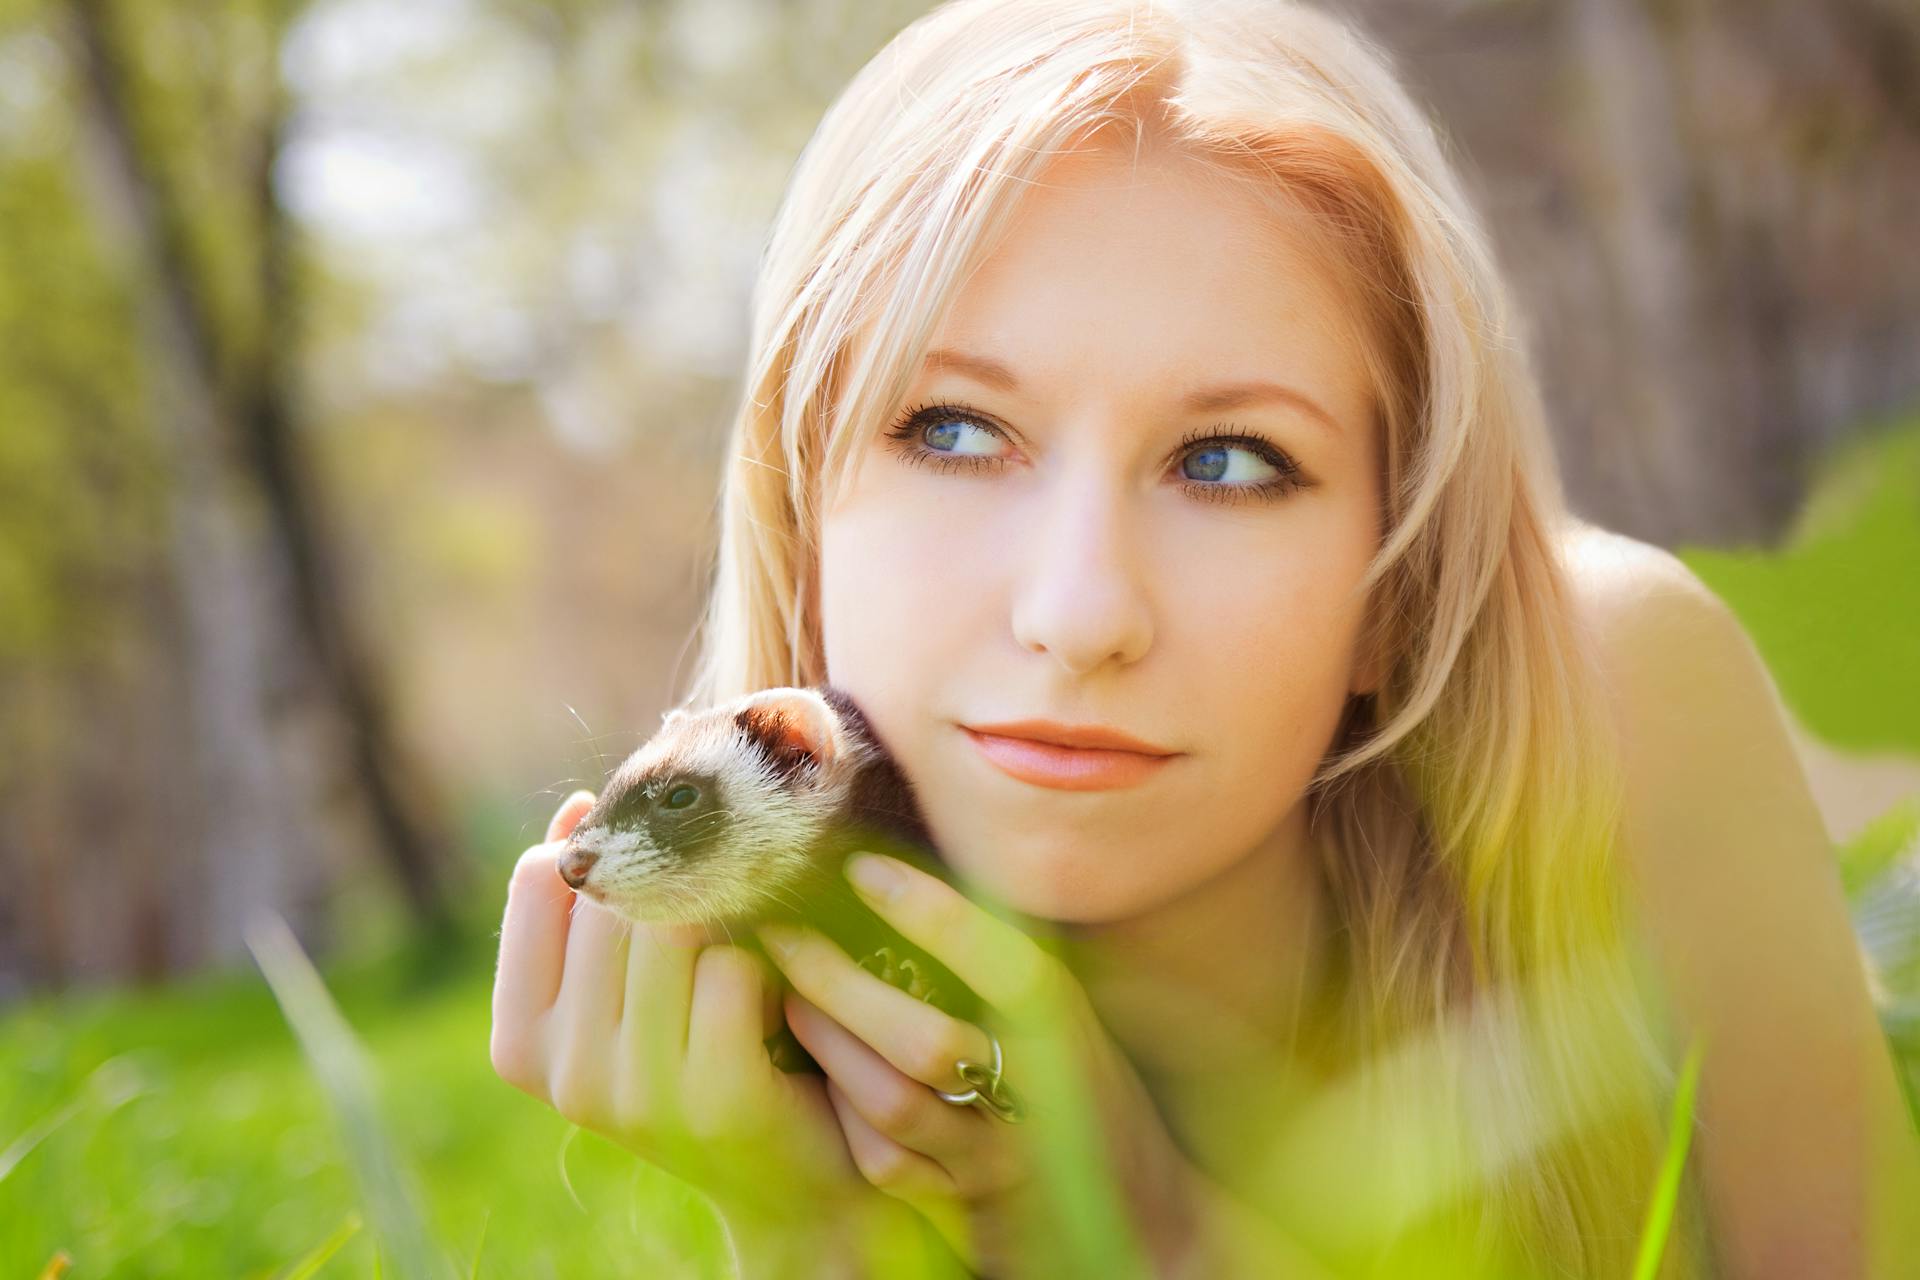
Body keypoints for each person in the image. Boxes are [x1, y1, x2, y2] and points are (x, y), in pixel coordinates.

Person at [490, 1, 1920, 1276]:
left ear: (1397, 579)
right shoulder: (764, 1013)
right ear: (805, 507)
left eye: (1231, 462)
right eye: (957, 431)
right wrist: (815, 1243)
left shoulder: (1620, 693)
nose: (1081, 612)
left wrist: (1148, 1238)